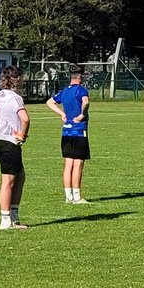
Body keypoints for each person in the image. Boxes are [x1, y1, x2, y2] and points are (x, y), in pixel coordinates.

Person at [0, 65, 30, 229]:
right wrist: (22, 135)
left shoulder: (0, 94)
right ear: (17, 79)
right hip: (8, 142)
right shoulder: (15, 97)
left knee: (20, 176)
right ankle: (6, 221)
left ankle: (14, 216)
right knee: (8, 180)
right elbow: (25, 119)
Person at [45, 65, 91, 203]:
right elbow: (85, 102)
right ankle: (77, 197)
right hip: (79, 131)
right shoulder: (81, 90)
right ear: (80, 77)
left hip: (66, 132)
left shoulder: (64, 91)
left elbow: (49, 102)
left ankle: (68, 196)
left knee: (68, 164)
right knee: (78, 164)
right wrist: (82, 114)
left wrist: (62, 113)